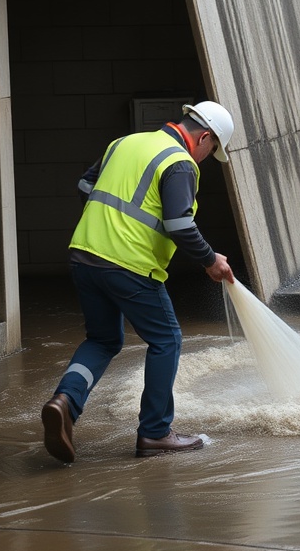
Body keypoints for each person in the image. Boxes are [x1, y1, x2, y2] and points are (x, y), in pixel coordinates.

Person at [41, 101, 236, 463]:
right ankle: (156, 433)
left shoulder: (124, 143)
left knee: (102, 339)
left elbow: (85, 185)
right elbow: (180, 225)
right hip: (130, 263)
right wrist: (211, 260)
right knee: (166, 340)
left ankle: (65, 401)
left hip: (85, 254)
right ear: (204, 137)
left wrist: (108, 225)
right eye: (212, 150)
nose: (207, 157)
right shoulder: (180, 162)